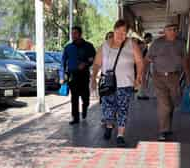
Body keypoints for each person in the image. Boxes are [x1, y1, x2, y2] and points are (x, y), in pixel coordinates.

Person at [91, 19, 144, 147]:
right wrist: (93, 78)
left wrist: (138, 77)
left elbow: (140, 62)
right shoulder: (104, 46)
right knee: (108, 108)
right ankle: (109, 126)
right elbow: (97, 63)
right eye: (118, 31)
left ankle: (120, 135)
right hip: (108, 84)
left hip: (125, 83)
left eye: (124, 32)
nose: (121, 34)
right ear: (114, 30)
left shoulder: (131, 44)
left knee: (122, 109)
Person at [145, 23, 190, 141]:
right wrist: (143, 77)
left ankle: (167, 126)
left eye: (175, 29)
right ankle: (163, 130)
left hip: (174, 77)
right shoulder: (157, 43)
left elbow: (184, 61)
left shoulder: (180, 44)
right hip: (158, 77)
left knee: (173, 102)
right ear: (164, 31)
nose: (173, 32)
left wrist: (188, 76)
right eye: (169, 30)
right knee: (164, 104)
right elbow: (147, 60)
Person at [60, 26, 96, 125]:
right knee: (74, 98)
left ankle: (85, 107)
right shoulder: (68, 47)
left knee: (85, 97)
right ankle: (75, 118)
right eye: (72, 33)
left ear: (80, 34)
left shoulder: (88, 46)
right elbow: (63, 62)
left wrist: (85, 63)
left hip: (84, 75)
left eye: (75, 33)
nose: (73, 35)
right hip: (73, 76)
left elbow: (93, 58)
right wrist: (62, 76)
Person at [137, 32, 153, 100]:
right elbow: (141, 56)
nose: (150, 40)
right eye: (150, 39)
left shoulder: (144, 45)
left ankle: (141, 94)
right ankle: (141, 95)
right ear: (147, 38)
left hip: (143, 65)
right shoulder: (142, 45)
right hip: (142, 65)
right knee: (143, 80)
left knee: (143, 80)